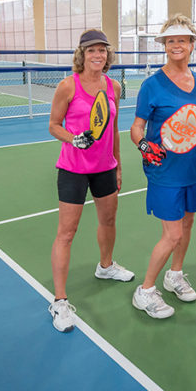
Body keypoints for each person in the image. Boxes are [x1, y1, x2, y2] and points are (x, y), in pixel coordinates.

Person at [47, 29, 135, 332]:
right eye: (91, 50)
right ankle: (59, 301)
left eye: (103, 50)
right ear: (81, 54)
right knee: (67, 232)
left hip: (105, 167)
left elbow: (114, 130)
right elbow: (53, 126)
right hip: (73, 168)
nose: (98, 55)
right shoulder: (67, 86)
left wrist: (119, 166)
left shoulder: (113, 87)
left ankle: (106, 266)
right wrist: (74, 139)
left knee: (108, 220)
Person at [129, 14, 196, 319]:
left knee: (187, 226)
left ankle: (174, 274)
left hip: (195, 168)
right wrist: (143, 146)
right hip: (165, 172)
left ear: (192, 44)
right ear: (164, 45)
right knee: (172, 235)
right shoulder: (152, 84)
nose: (176, 45)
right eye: (170, 40)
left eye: (182, 40)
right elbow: (137, 128)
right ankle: (146, 290)